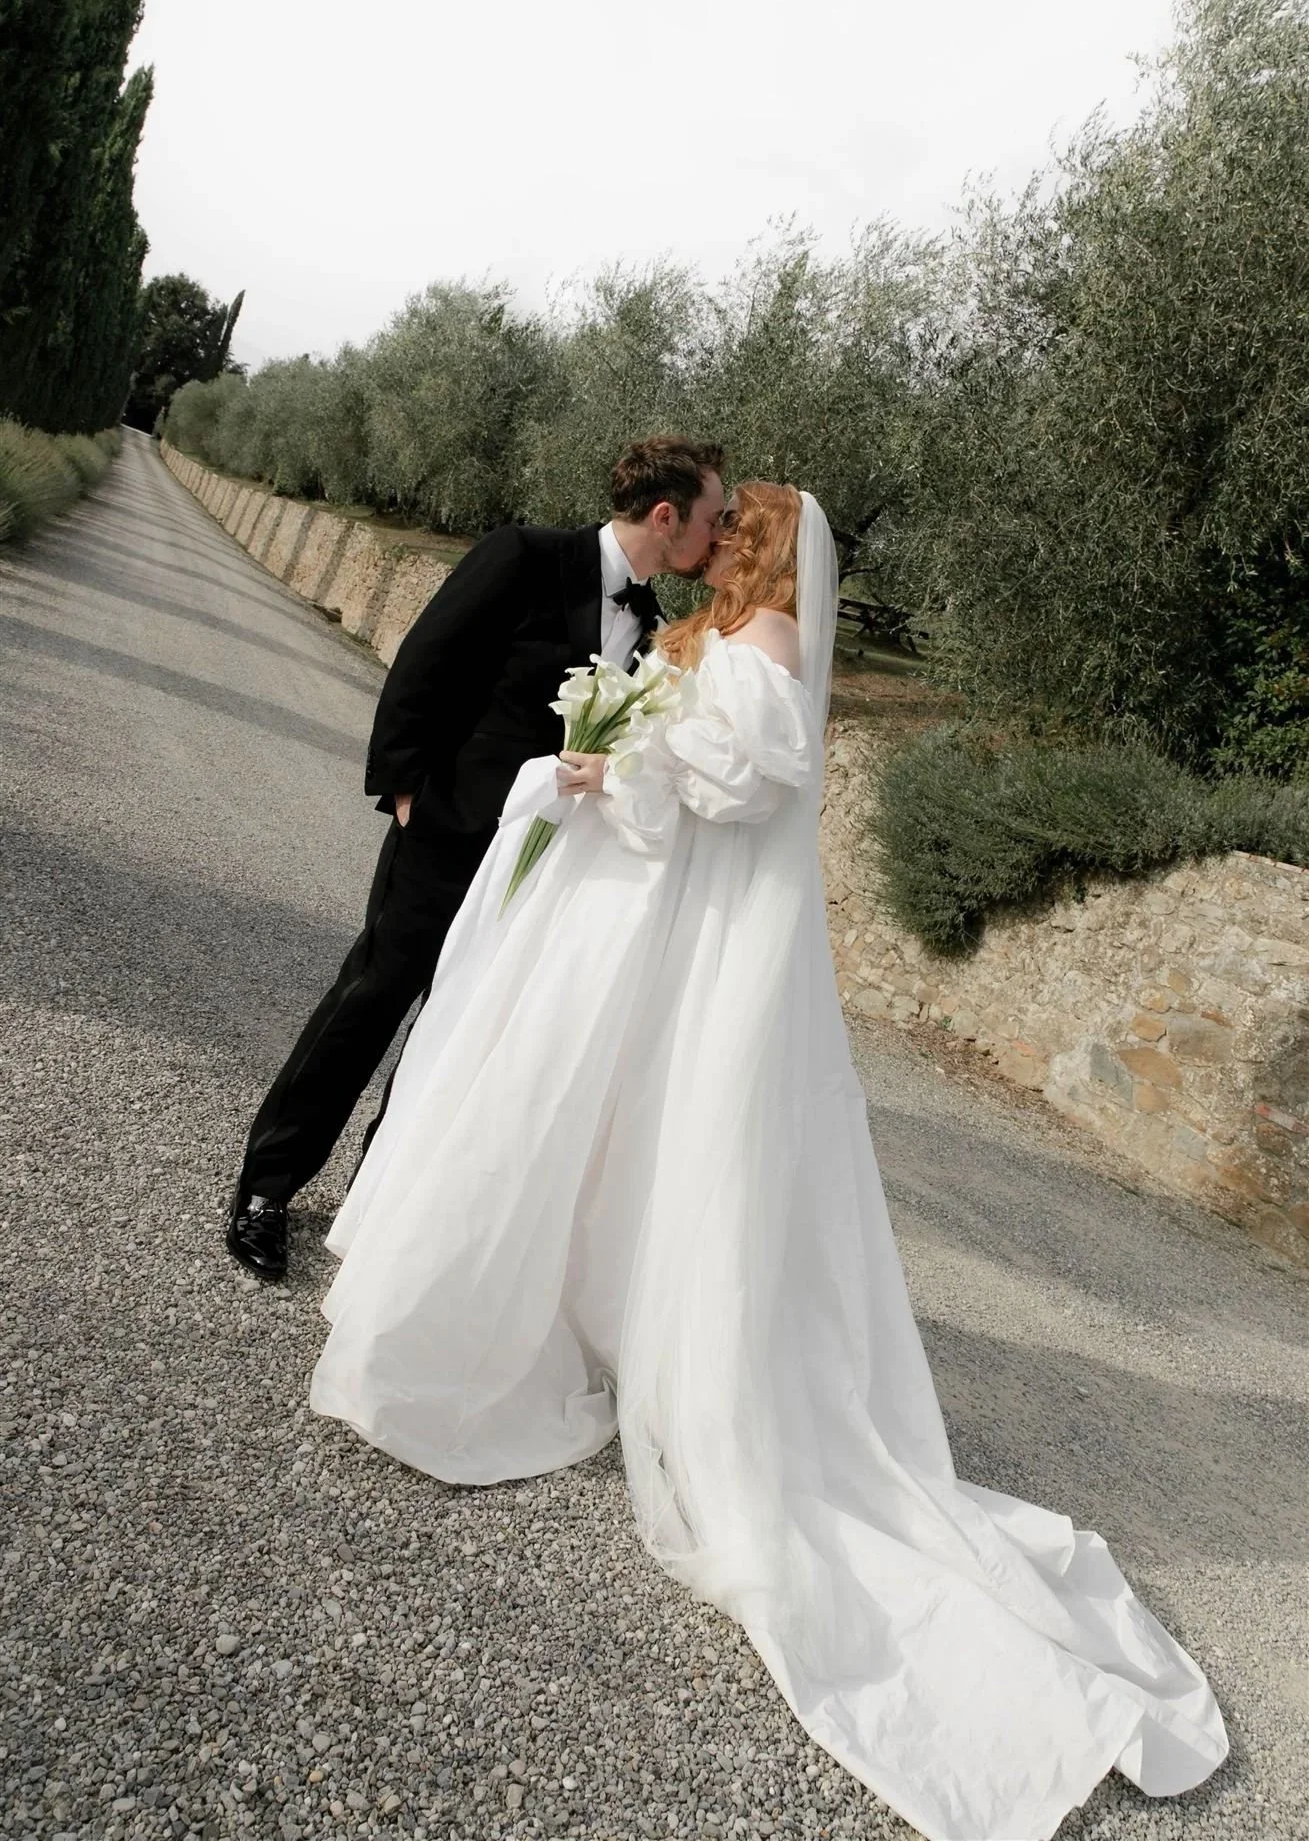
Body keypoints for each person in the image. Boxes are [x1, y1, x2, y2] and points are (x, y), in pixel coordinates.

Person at [308, 482, 1227, 1841]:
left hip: (693, 934)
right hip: (642, 920)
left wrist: (639, 761)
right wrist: (616, 756)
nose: (718, 528)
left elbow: (756, 783)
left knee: (653, 1142)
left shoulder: (771, 647)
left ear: (752, 545)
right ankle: (575, 1312)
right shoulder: (712, 638)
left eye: (733, 520)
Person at [226, 436, 725, 1283]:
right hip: (451, 828)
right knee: (372, 998)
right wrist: (404, 788)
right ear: (667, 515)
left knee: (452, 1030)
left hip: (543, 859)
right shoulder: (526, 555)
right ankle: (266, 1190)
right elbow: (427, 660)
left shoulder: (656, 626)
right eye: (713, 519)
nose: (719, 536)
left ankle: (369, 1208)